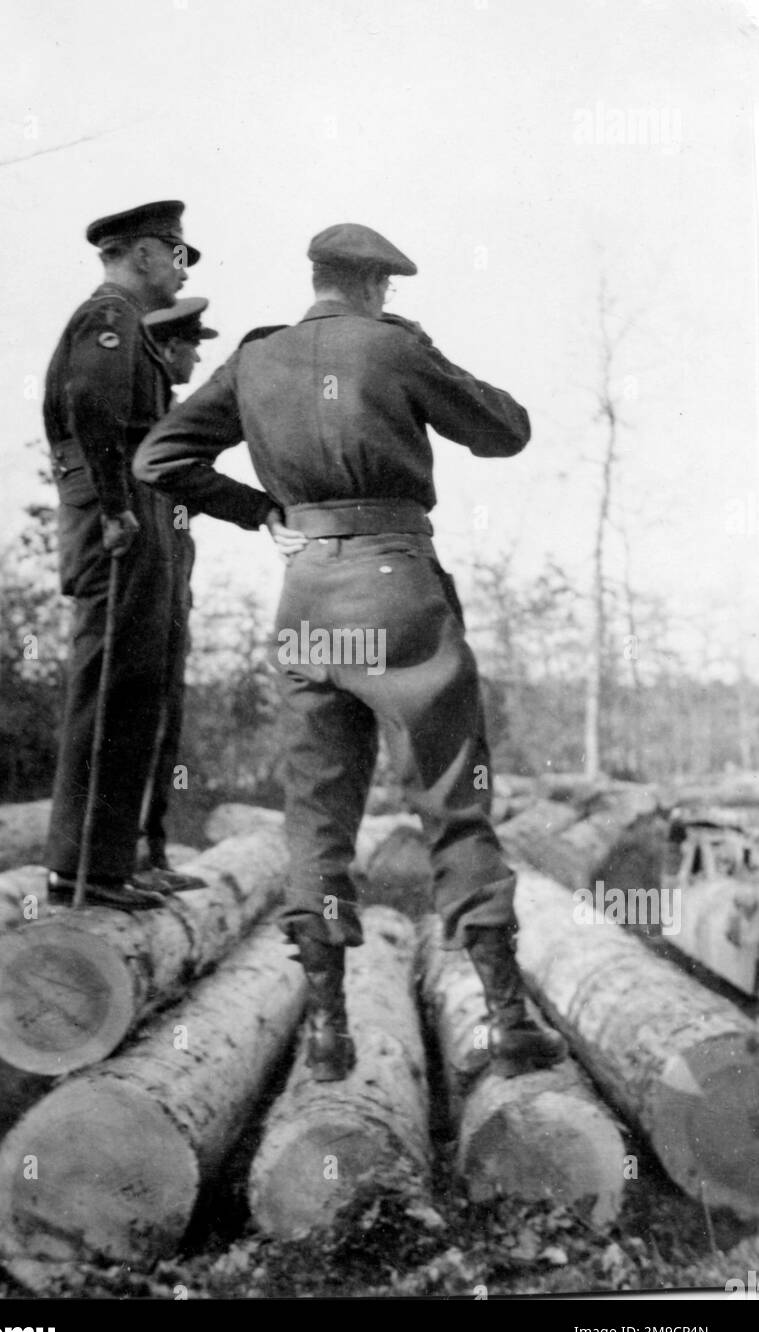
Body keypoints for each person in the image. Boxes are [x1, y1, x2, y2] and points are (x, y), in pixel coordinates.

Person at [132, 221, 567, 1081]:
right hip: (397, 588)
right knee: (452, 796)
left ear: (316, 279)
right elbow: (504, 429)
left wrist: (262, 512)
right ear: (377, 287)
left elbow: (160, 456)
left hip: (308, 597)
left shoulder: (256, 359)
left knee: (317, 812)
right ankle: (507, 1021)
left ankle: (328, 1032)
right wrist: (420, 349)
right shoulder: (392, 348)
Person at [43, 202, 282, 911]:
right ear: (144, 254)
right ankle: (81, 870)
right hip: (118, 522)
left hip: (138, 518)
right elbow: (89, 405)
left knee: (137, 689)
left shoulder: (124, 327)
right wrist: (116, 510)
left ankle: (113, 862)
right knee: (111, 689)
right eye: (176, 255)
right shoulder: (109, 319)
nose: (180, 270)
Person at [135, 299, 219, 889]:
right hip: (149, 579)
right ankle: (137, 854)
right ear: (167, 350)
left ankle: (152, 852)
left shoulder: (172, 413)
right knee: (143, 717)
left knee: (165, 716)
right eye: (191, 345)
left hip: (171, 582)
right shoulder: (151, 419)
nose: (197, 354)